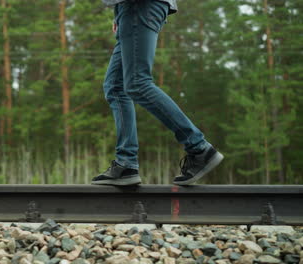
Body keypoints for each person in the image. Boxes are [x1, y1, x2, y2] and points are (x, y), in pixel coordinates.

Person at [91, 0, 224, 186]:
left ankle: (199, 148)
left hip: (140, 6)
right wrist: (118, 12)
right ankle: (126, 164)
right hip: (130, 8)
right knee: (115, 86)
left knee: (138, 83)